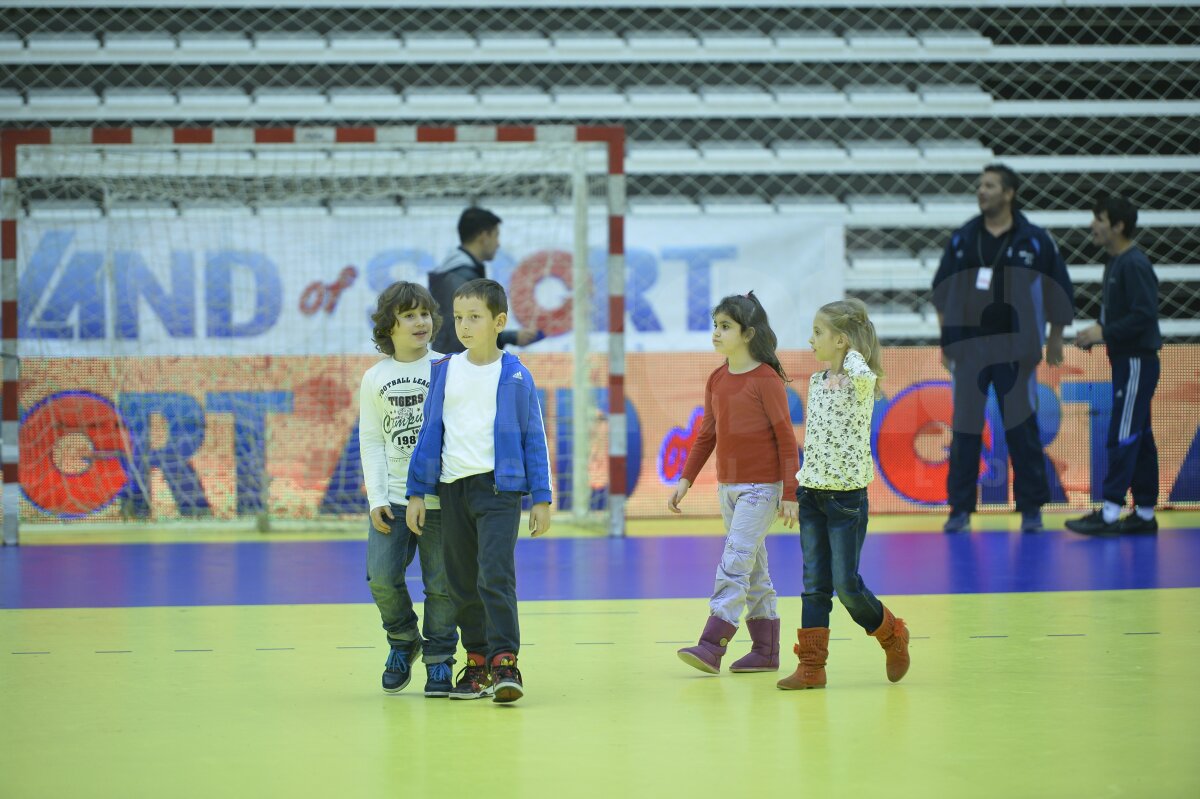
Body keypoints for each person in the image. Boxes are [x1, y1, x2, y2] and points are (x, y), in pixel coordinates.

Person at [405, 278, 553, 704]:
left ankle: (506, 661)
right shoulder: (445, 370)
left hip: (498, 492)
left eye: (474, 317)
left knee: (494, 574)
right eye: (458, 318)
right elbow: (429, 433)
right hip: (453, 491)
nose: (464, 326)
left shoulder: (516, 375)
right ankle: (476, 662)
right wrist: (417, 491)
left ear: (498, 321)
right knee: (460, 581)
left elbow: (534, 438)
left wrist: (540, 497)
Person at [932, 163, 1075, 534]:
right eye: (980, 185)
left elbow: (1058, 288)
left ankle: (1030, 508)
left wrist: (1056, 338)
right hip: (970, 349)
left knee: (1021, 428)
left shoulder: (1034, 239)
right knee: (965, 429)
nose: (981, 190)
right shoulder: (964, 238)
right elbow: (942, 292)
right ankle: (960, 509)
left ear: (1009, 193)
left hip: (1017, 348)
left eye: (990, 185)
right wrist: (946, 341)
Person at [778, 299, 910, 691]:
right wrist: (799, 485)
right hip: (812, 495)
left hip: (846, 501)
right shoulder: (818, 381)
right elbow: (816, 440)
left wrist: (852, 349)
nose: (810, 340)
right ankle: (811, 668)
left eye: (818, 333)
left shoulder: (860, 380)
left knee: (846, 584)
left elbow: (862, 373)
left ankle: (891, 633)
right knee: (814, 583)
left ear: (841, 341)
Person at [669, 292, 800, 675]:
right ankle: (765, 650)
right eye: (715, 325)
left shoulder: (767, 380)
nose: (716, 333)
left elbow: (786, 439)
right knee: (753, 571)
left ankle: (712, 644)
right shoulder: (717, 379)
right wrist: (685, 480)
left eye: (725, 326)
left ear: (748, 333)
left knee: (734, 563)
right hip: (728, 489)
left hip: (761, 490)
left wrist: (789, 494)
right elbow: (706, 435)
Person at [358, 281, 457, 696]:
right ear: (389, 327)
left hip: (439, 501)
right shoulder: (374, 378)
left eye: (425, 314)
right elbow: (372, 440)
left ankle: (439, 658)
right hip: (394, 502)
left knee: (441, 584)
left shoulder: (449, 368)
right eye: (409, 315)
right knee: (381, 576)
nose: (420, 322)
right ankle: (402, 641)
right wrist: (378, 499)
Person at [1066, 194, 1162, 535]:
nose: (1093, 225)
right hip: (1127, 360)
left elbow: (1144, 315)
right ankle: (1146, 513)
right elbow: (1123, 317)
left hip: (1137, 361)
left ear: (1118, 226)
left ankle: (1108, 512)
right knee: (1140, 436)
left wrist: (1104, 331)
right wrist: (1099, 335)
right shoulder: (1115, 263)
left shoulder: (1133, 264)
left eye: (1100, 219)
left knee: (1122, 434)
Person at [428, 207, 541, 354]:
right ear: (483, 236)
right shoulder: (459, 277)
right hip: (457, 367)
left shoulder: (460, 272)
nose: (498, 243)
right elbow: (463, 334)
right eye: (496, 235)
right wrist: (509, 337)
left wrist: (510, 337)